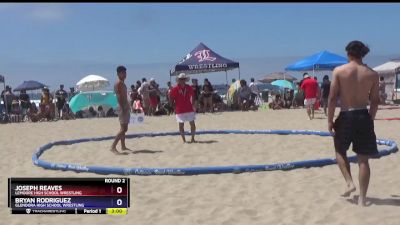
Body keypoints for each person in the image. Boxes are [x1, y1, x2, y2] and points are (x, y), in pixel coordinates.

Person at [328, 40, 379, 207]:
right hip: (363, 115)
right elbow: (375, 101)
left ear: (349, 53)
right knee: (363, 160)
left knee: (339, 150)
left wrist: (329, 120)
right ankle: (363, 199)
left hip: (346, 115)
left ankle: (349, 182)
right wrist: (370, 117)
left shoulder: (340, 71)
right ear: (362, 54)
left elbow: (332, 98)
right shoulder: (372, 74)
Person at [169, 73, 196, 143]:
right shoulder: (175, 89)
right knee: (181, 125)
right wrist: (173, 106)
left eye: (183, 79)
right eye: (181, 79)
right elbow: (171, 98)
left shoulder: (189, 87)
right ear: (178, 80)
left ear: (185, 80)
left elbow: (193, 96)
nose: (182, 80)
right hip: (179, 109)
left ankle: (192, 139)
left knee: (192, 124)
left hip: (189, 108)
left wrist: (193, 105)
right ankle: (184, 140)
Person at [110, 65, 131, 154]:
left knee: (123, 128)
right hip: (122, 106)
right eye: (123, 73)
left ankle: (123, 146)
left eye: (125, 72)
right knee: (124, 129)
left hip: (124, 106)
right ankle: (113, 146)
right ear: (118, 74)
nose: (125, 74)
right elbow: (118, 97)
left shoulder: (122, 83)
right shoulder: (118, 83)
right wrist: (123, 108)